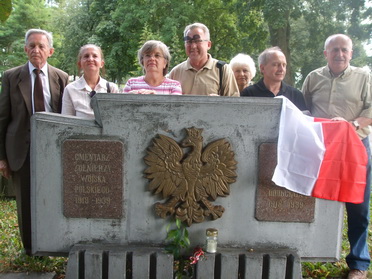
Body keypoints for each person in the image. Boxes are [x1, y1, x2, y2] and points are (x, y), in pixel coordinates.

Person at [302, 34, 371, 279]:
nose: (339, 54)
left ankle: (358, 263)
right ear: (325, 53)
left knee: (358, 207)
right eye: (334, 50)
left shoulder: (365, 77)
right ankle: (308, 252)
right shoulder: (313, 77)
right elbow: (305, 106)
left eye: (344, 50)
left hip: (355, 147)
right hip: (321, 149)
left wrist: (351, 124)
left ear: (351, 53)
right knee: (313, 200)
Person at [0, 29, 68, 255]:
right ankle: (29, 248)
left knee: (53, 197)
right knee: (25, 201)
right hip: (21, 149)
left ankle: (52, 244)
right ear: (25, 49)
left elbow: (64, 115)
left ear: (50, 51)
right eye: (31, 45)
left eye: (41, 46)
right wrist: (1, 157)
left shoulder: (61, 77)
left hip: (52, 149)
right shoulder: (11, 76)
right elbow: (3, 118)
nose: (36, 50)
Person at [169, 22, 239, 96]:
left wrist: (218, 102)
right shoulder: (176, 72)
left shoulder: (222, 70)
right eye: (189, 42)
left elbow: (234, 104)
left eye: (197, 41)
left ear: (208, 45)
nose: (193, 46)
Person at [62, 44, 119, 119]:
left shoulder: (112, 89)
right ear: (80, 64)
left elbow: (117, 119)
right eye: (86, 56)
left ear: (102, 63)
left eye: (95, 56)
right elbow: (67, 121)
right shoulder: (70, 89)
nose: (90, 59)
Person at [241, 47, 307, 110]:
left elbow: (304, 120)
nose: (281, 69)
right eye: (276, 64)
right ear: (262, 68)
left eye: (284, 65)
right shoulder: (248, 94)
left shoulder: (295, 95)